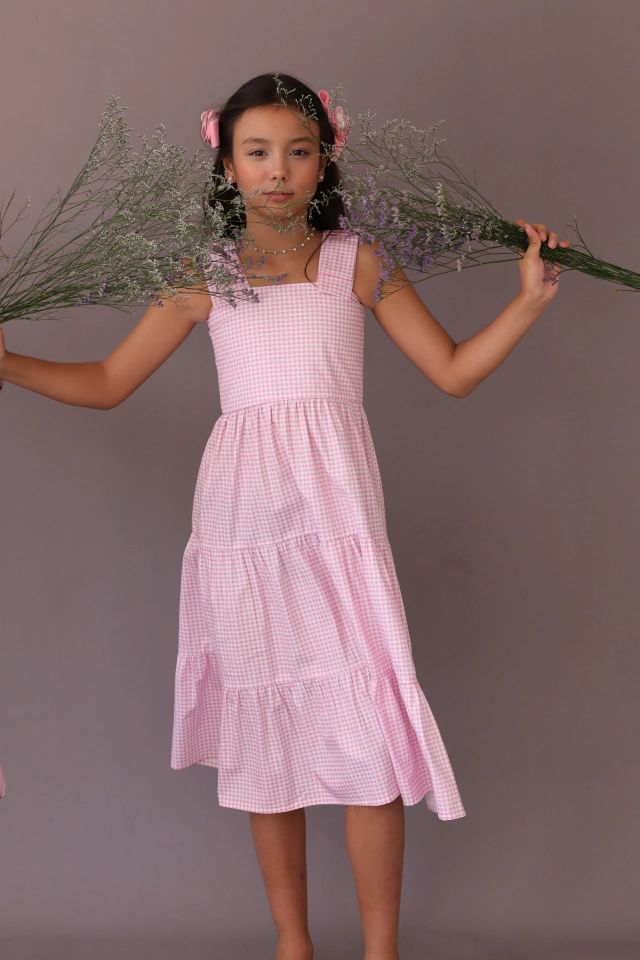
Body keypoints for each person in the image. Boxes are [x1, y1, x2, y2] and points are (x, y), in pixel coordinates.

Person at [0, 72, 571, 960]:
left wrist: (529, 299)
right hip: (244, 529)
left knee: (370, 739)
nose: (278, 171)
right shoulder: (204, 274)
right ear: (227, 164)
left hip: (338, 523)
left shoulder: (359, 263)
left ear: (325, 159)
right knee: (268, 745)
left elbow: (454, 371)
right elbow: (109, 382)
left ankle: (380, 952)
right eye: (258, 152)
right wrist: (9, 364)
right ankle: (292, 947)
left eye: (298, 152)